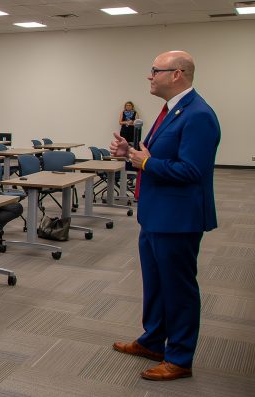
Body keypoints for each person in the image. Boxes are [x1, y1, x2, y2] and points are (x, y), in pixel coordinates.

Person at [109, 50, 220, 381]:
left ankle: (180, 358)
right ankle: (154, 341)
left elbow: (191, 170)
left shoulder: (198, 114)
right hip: (155, 214)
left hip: (178, 217)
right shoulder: (170, 111)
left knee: (179, 289)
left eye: (155, 70)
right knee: (156, 285)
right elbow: (154, 155)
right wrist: (130, 154)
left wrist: (144, 162)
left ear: (177, 74)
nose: (150, 76)